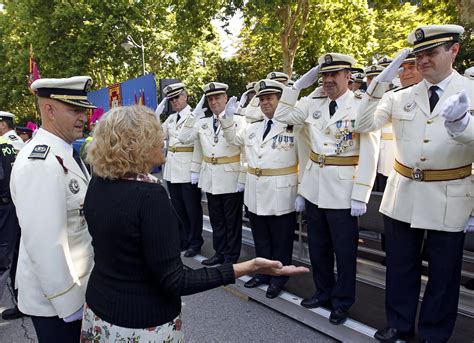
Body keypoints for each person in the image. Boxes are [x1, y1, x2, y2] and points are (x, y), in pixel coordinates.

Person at [80, 104, 308, 342]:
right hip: (141, 324)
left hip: (98, 312)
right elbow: (175, 281)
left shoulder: (99, 183)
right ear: (138, 144)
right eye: (155, 134)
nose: (163, 138)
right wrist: (247, 267)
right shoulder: (149, 197)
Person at [355, 24, 473, 343]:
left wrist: (462, 124)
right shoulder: (399, 96)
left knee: (443, 275)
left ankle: (434, 334)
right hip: (403, 192)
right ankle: (399, 326)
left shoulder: (471, 91)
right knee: (400, 267)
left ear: (454, 51)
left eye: (431, 53)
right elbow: (362, 123)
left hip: (451, 195)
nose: (422, 62)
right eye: (418, 55)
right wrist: (380, 83)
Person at [274, 53, 379, 325]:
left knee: (344, 252)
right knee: (318, 247)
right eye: (324, 76)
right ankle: (323, 292)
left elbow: (370, 151)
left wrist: (361, 193)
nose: (329, 80)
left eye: (335, 75)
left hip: (344, 189)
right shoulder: (313, 102)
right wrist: (297, 86)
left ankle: (342, 302)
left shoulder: (360, 105)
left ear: (348, 76)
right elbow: (281, 114)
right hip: (314, 186)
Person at [10, 76, 95, 342]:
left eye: (84, 110)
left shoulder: (64, 152)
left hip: (77, 290)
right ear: (49, 110)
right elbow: (46, 244)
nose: (83, 117)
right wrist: (70, 304)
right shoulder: (40, 162)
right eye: (74, 110)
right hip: (58, 304)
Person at [220, 79, 302, 299]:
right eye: (262, 99)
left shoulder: (294, 126)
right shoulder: (252, 128)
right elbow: (232, 138)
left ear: (279, 100)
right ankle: (264, 273)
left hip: (281, 191)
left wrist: (301, 191)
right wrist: (228, 118)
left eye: (270, 98)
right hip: (255, 191)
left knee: (281, 239)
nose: (265, 103)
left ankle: (279, 277)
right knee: (261, 237)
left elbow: (303, 159)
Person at [178, 82, 247, 266]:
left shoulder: (239, 120)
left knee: (232, 220)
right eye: (210, 99)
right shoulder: (203, 123)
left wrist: (242, 177)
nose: (214, 102)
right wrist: (194, 114)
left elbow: (242, 149)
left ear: (225, 98)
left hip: (231, 176)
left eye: (217, 97)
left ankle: (231, 256)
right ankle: (219, 252)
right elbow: (183, 137)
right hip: (210, 176)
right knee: (217, 219)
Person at [157, 82, 204, 257]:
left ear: (185, 96)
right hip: (172, 169)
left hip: (188, 169)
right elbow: (158, 136)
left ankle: (195, 242)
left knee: (192, 209)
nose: (174, 102)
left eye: (177, 97)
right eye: (171, 99)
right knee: (177, 208)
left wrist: (196, 169)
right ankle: (183, 239)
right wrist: (155, 116)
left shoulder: (196, 115)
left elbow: (198, 146)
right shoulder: (170, 119)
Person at [0, 137, 21, 316]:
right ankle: (20, 300)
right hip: (11, 206)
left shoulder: (6, 145)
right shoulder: (8, 146)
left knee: (4, 260)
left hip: (5, 208)